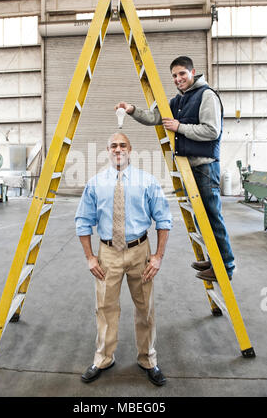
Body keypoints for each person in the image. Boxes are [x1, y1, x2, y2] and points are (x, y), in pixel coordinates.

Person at [115, 56, 235, 282]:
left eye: (182, 74)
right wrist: (131, 109)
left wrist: (180, 127)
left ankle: (226, 266)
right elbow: (153, 117)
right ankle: (214, 258)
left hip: (205, 167)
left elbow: (212, 131)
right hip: (190, 169)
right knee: (202, 219)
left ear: (193, 72)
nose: (178, 79)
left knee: (212, 217)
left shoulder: (206, 96)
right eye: (174, 76)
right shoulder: (178, 101)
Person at [75, 132, 172, 386]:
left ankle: (148, 359)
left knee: (146, 309)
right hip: (107, 254)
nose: (118, 150)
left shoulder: (147, 182)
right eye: (113, 146)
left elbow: (163, 220)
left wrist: (158, 257)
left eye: (123, 145)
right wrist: (90, 258)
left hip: (140, 251)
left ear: (131, 150)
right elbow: (83, 221)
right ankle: (104, 358)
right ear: (107, 151)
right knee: (105, 309)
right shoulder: (95, 184)